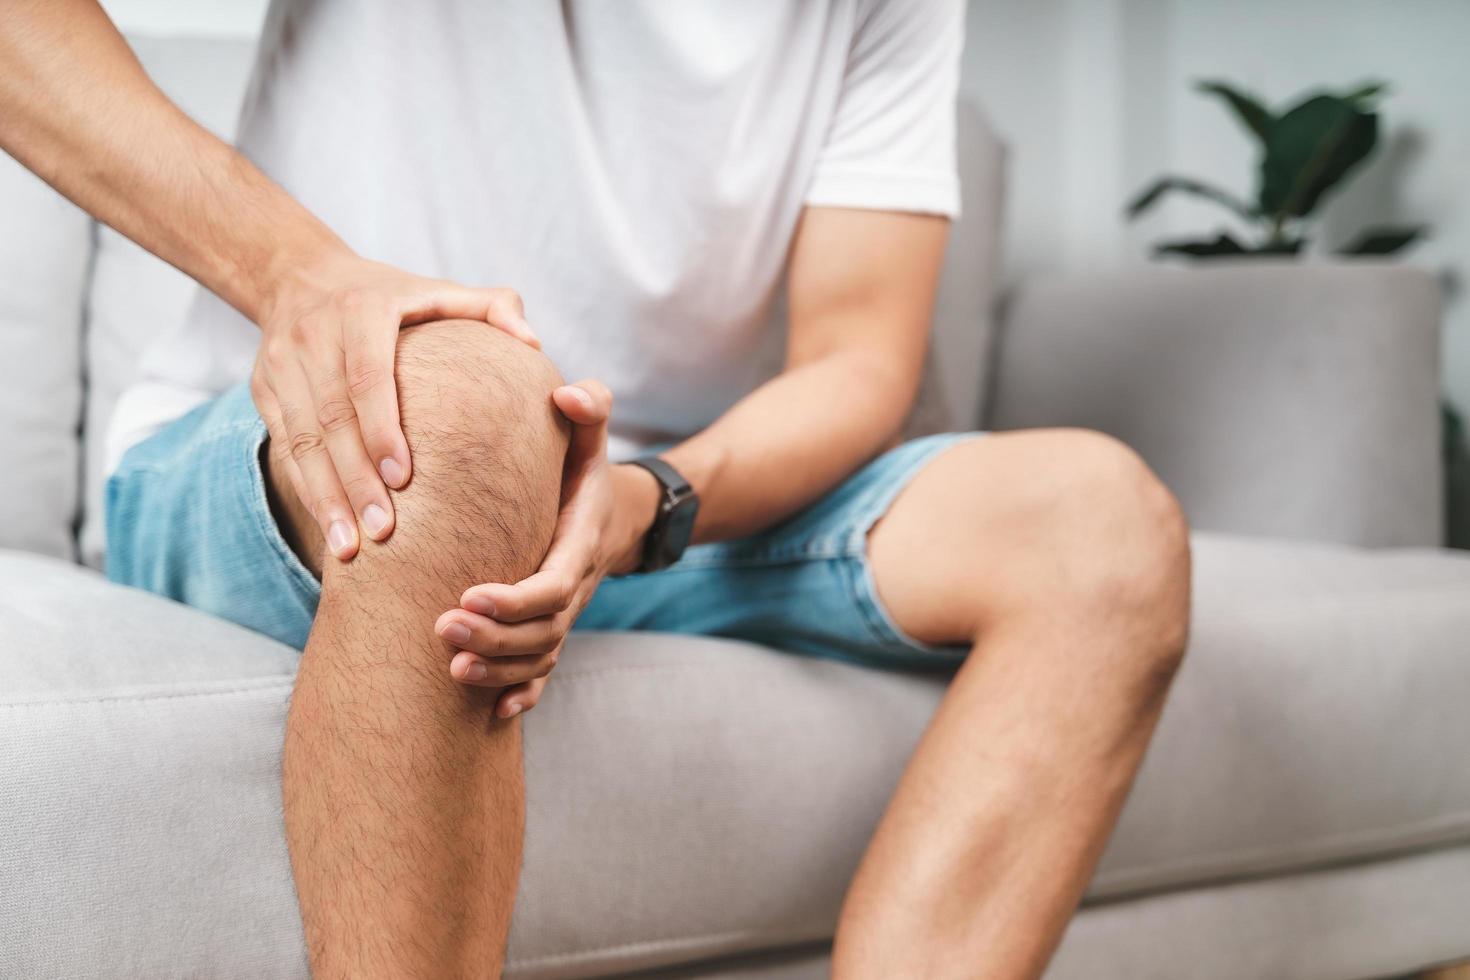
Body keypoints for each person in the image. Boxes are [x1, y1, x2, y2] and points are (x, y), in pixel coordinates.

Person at [0, 1, 1191, 977]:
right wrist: (300, 276)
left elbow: (856, 357)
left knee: (1099, 530)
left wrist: (646, 500)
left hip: (643, 501)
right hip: (300, 462)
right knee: (474, 409)